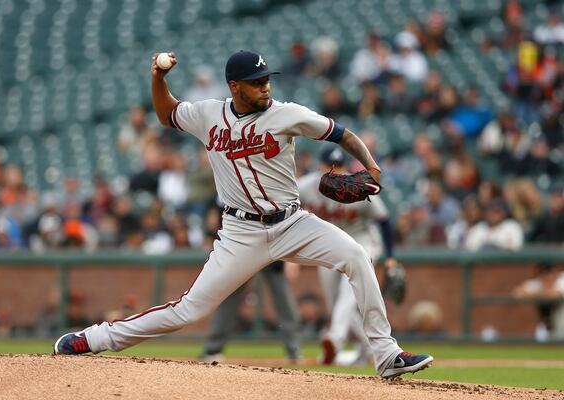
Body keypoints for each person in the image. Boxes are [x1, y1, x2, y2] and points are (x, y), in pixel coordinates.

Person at [54, 50, 432, 378]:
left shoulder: (288, 114)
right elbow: (165, 112)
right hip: (240, 233)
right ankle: (94, 338)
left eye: (267, 79)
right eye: (256, 81)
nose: (265, 86)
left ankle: (387, 355)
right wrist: (157, 76)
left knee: (356, 256)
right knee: (187, 311)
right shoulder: (207, 115)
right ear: (235, 86)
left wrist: (372, 167)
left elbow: (342, 134)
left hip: (292, 223)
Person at [290, 147, 400, 366]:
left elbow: (384, 220)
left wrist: (390, 257)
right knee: (337, 304)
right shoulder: (306, 187)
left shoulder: (356, 187)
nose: (335, 171)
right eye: (329, 166)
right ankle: (368, 349)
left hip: (363, 241)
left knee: (347, 293)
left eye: (339, 167)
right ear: (319, 166)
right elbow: (286, 208)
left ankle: (334, 338)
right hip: (330, 241)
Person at [199, 260, 300, 363]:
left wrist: (291, 260)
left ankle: (294, 351)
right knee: (230, 293)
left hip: (274, 253)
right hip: (246, 248)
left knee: (283, 298)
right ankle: (212, 350)